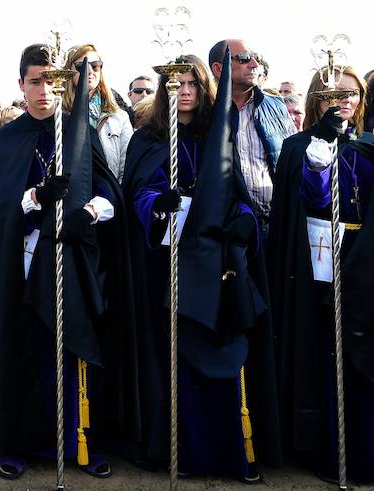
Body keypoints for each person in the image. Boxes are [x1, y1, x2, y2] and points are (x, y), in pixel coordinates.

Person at [0, 43, 138, 482]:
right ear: (21, 84)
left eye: (52, 81)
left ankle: (81, 441)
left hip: (72, 262)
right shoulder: (6, 139)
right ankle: (17, 443)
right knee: (23, 352)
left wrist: (86, 213)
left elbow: (110, 194)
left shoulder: (79, 132)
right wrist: (33, 198)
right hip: (22, 263)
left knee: (74, 351)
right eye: (35, 81)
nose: (44, 90)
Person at [122, 54, 280, 483]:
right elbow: (136, 192)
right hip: (165, 263)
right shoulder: (149, 138)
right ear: (165, 89)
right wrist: (157, 204)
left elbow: (237, 188)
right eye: (177, 83)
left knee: (218, 352)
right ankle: (176, 448)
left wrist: (245, 215)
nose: (185, 90)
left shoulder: (218, 135)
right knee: (172, 358)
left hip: (214, 266)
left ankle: (228, 449)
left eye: (192, 82)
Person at [270, 65, 374, 484]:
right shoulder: (298, 147)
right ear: (317, 99)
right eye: (334, 95)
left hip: (364, 260)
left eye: (350, 94)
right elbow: (310, 197)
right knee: (322, 350)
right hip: (316, 258)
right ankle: (325, 448)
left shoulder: (368, 147)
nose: (343, 101)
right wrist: (320, 159)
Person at [208, 40, 295, 237]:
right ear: (219, 69)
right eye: (245, 58)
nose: (255, 64)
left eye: (256, 58)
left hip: (274, 225)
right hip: (226, 229)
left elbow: (291, 162)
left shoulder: (276, 106)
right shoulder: (207, 111)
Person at [62, 44, 134, 183]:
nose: (89, 71)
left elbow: (127, 168)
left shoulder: (119, 117)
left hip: (108, 197)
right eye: (81, 66)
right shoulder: (59, 115)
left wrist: (112, 197)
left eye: (95, 65)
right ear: (69, 71)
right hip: (70, 195)